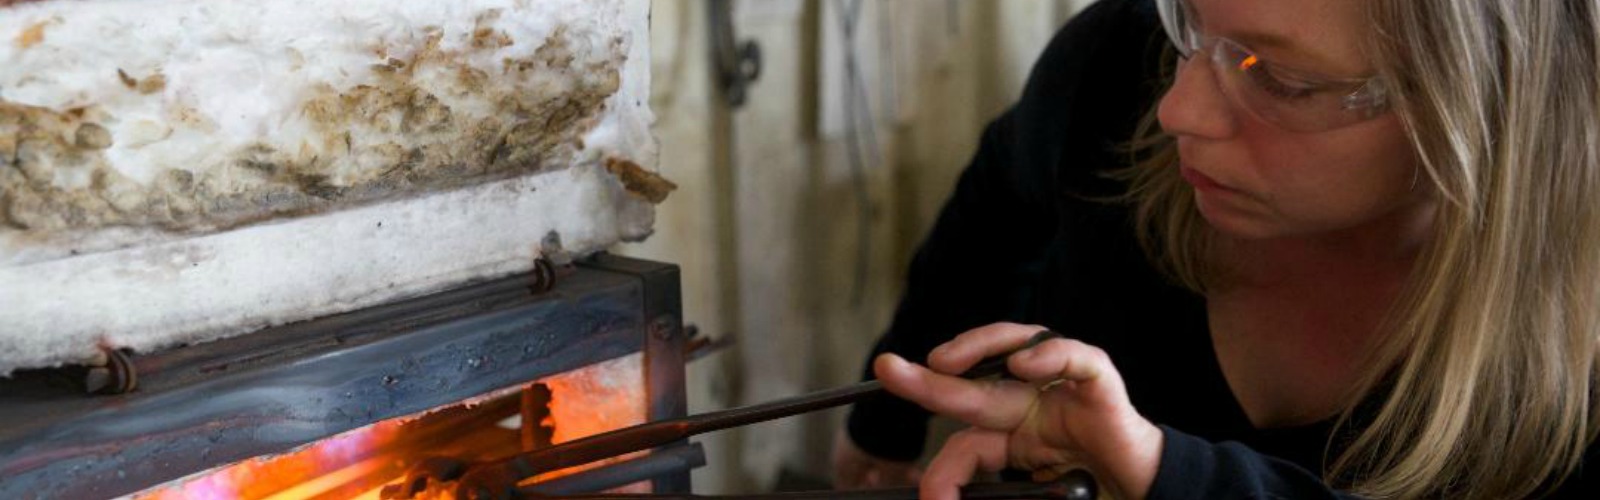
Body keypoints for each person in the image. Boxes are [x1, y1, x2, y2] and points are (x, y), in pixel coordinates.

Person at [832, 0, 1600, 498]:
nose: (1177, 109)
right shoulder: (1114, 72)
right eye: (1193, 27)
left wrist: (1168, 474)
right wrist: (888, 424)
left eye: (1281, 79)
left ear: (1483, 106)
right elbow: (995, 210)